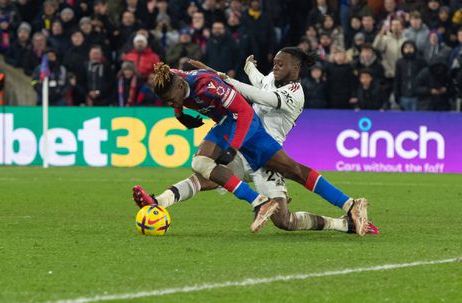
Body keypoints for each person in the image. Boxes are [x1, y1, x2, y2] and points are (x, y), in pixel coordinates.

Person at [133, 49, 371, 236]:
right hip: (242, 137)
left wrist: (219, 78)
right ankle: (159, 202)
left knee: (286, 212)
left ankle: (348, 210)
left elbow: (256, 98)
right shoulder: (269, 79)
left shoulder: (295, 93)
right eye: (275, 63)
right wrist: (237, 70)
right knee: (206, 172)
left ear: (296, 67)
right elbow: (251, 79)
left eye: (281, 64)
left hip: (260, 141)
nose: (275, 68)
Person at [394, 40, 426, 111]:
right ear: (403, 49)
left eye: (410, 47)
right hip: (403, 95)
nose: (408, 50)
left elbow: (424, 78)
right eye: (406, 48)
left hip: (417, 95)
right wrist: (396, 93)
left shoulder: (421, 61)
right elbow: (397, 79)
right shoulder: (399, 62)